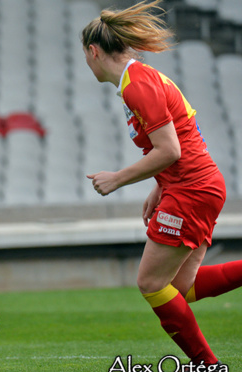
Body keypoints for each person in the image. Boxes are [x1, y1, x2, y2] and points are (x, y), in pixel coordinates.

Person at [81, 0, 242, 366]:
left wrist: (118, 179)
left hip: (192, 188)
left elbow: (169, 149)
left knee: (151, 284)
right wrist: (159, 186)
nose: (87, 63)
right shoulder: (140, 79)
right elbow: (179, 141)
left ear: (93, 51)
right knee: (179, 288)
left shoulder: (137, 85)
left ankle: (209, 365)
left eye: (86, 56)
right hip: (194, 185)